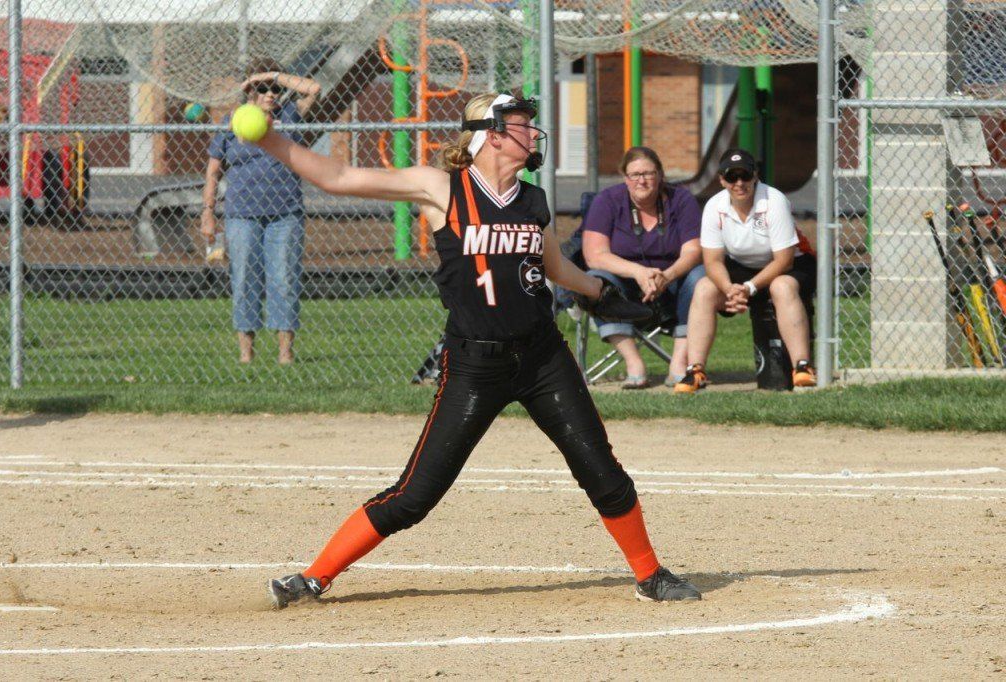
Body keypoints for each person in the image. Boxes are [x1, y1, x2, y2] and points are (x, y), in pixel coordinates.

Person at [250, 92, 702, 607]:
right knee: (414, 496)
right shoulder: (441, 187)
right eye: (522, 125)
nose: (533, 133)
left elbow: (557, 269)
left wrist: (604, 296)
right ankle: (313, 578)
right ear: (490, 133)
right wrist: (268, 137)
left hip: (542, 358)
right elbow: (337, 177)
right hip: (474, 364)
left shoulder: (533, 200)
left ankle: (650, 575)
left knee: (600, 469)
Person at [200, 58, 321, 364]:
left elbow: (314, 88)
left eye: (275, 89)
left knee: (284, 279)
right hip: (241, 215)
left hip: (285, 214)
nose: (271, 94)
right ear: (250, 92)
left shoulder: (291, 115)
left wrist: (270, 75)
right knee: (243, 280)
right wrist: (207, 212)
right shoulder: (233, 121)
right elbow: (213, 172)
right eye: (263, 89)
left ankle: (285, 353)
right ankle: (246, 354)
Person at [674, 148, 817, 393]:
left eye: (745, 176)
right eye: (731, 177)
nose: (739, 183)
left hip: (793, 263)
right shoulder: (714, 206)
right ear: (721, 180)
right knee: (705, 287)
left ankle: (801, 367)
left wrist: (749, 288)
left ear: (755, 176)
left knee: (781, 286)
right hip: (743, 266)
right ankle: (694, 371)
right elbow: (713, 261)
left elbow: (784, 261)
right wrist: (729, 289)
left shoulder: (773, 200)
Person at [581, 146, 705, 388]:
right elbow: (595, 255)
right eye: (635, 175)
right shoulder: (607, 201)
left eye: (648, 173)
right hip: (624, 291)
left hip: (673, 286)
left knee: (701, 278)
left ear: (660, 175)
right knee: (595, 279)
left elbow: (694, 250)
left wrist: (667, 276)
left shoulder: (681, 200)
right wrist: (638, 272)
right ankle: (634, 364)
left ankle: (679, 364)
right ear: (625, 178)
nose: (642, 180)